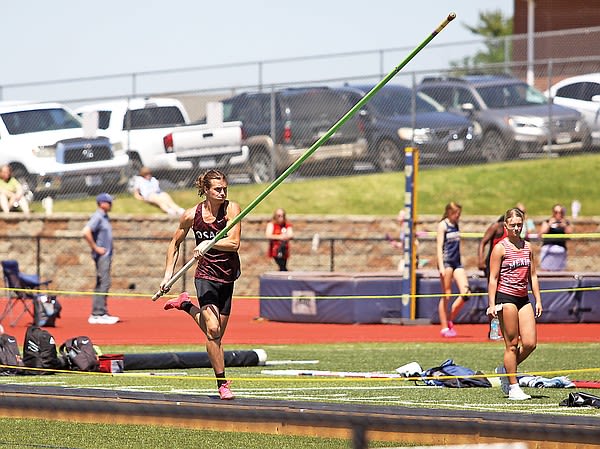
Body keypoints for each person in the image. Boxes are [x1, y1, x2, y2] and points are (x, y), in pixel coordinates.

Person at [159, 169, 241, 400]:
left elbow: (234, 243)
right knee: (213, 330)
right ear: (205, 190)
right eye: (217, 189)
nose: (222, 193)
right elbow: (174, 245)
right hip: (205, 276)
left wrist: (210, 243)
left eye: (225, 188)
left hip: (227, 276)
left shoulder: (231, 209)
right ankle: (222, 383)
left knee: (214, 334)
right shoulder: (190, 215)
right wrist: (167, 276)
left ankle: (186, 305)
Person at [487, 207, 542, 401]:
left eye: (520, 224)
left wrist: (538, 299)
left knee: (530, 343)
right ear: (506, 226)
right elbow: (493, 278)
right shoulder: (500, 248)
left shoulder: (527, 247)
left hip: (523, 298)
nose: (517, 228)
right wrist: (491, 304)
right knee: (511, 344)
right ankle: (513, 386)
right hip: (506, 297)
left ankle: (505, 370)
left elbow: (532, 276)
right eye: (513, 225)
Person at [82, 193, 120, 325]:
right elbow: (86, 231)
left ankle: (99, 312)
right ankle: (99, 313)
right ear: (102, 203)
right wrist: (96, 247)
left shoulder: (105, 217)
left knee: (102, 282)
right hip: (102, 256)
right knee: (104, 282)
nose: (111, 204)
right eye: (109, 202)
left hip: (106, 255)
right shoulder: (98, 216)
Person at [436, 202, 470, 338]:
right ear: (450, 212)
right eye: (456, 213)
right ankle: (444, 327)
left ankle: (450, 318)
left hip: (457, 263)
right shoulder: (443, 225)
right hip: (446, 262)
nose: (458, 216)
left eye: (459, 214)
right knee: (447, 295)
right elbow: (439, 247)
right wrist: (441, 266)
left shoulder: (456, 224)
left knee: (466, 293)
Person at [539, 204, 573, 271]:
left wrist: (564, 226)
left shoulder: (566, 222)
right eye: (556, 212)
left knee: (559, 272)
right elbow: (541, 234)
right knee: (545, 270)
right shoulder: (547, 221)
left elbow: (570, 235)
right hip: (548, 249)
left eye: (560, 212)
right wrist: (549, 224)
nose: (558, 214)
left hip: (560, 250)